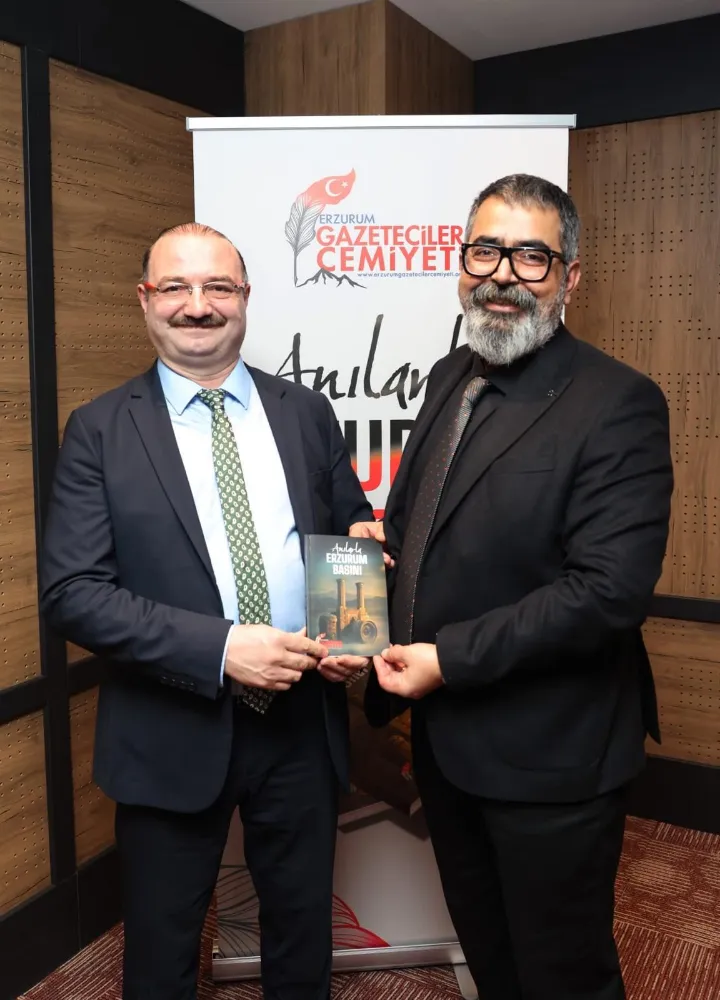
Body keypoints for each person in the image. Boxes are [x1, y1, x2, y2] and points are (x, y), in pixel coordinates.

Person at [356, 175, 673, 1000]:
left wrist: (448, 660)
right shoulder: (448, 376)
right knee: (491, 957)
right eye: (486, 250)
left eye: (531, 256)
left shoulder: (618, 403)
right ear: (462, 262)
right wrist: (384, 547)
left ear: (570, 277)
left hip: (552, 755)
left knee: (562, 975)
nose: (503, 274)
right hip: (447, 745)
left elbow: (608, 591)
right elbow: (436, 519)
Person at [40, 222, 373, 1000]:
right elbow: (73, 592)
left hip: (301, 721)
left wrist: (351, 633)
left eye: (218, 286)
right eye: (176, 287)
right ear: (145, 300)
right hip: (170, 728)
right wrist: (222, 649)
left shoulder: (305, 412)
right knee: (161, 952)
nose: (198, 305)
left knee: (302, 937)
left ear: (245, 297)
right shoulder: (99, 431)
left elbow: (348, 529)